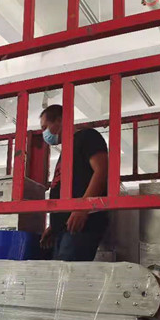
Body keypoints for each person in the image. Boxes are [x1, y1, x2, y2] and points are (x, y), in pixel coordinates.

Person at [40, 104, 109, 261]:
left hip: (80, 225)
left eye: (45, 127)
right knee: (59, 273)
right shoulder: (67, 150)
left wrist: (83, 207)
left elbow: (102, 171)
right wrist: (54, 225)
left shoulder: (87, 136)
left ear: (60, 120)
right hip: (64, 228)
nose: (44, 133)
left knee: (67, 274)